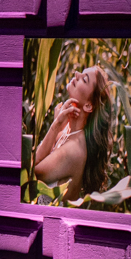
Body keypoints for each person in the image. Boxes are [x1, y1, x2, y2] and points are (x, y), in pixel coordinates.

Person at [31, 64, 114, 198]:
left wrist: (55, 125)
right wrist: (59, 127)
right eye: (81, 72)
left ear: (88, 105)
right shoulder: (68, 132)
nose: (76, 73)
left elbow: (29, 174)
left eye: (84, 79)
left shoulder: (73, 149)